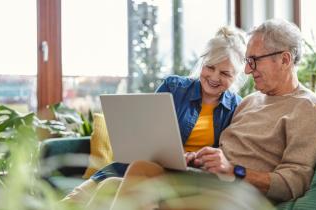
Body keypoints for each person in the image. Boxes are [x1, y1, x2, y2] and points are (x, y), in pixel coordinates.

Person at [95, 18, 316, 209]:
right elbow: (227, 151)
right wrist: (199, 158)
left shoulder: (309, 108)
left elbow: (294, 182)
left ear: (284, 59)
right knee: (126, 178)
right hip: (208, 180)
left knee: (138, 178)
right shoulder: (250, 102)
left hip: (239, 195)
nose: (248, 71)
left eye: (253, 61)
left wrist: (234, 171)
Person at [62, 25, 247, 205]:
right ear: (202, 63)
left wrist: (196, 159)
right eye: (210, 67)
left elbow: (227, 159)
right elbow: (146, 136)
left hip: (182, 178)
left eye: (224, 73)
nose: (214, 77)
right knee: (72, 202)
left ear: (236, 76)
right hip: (136, 167)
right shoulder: (174, 87)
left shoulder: (237, 107)